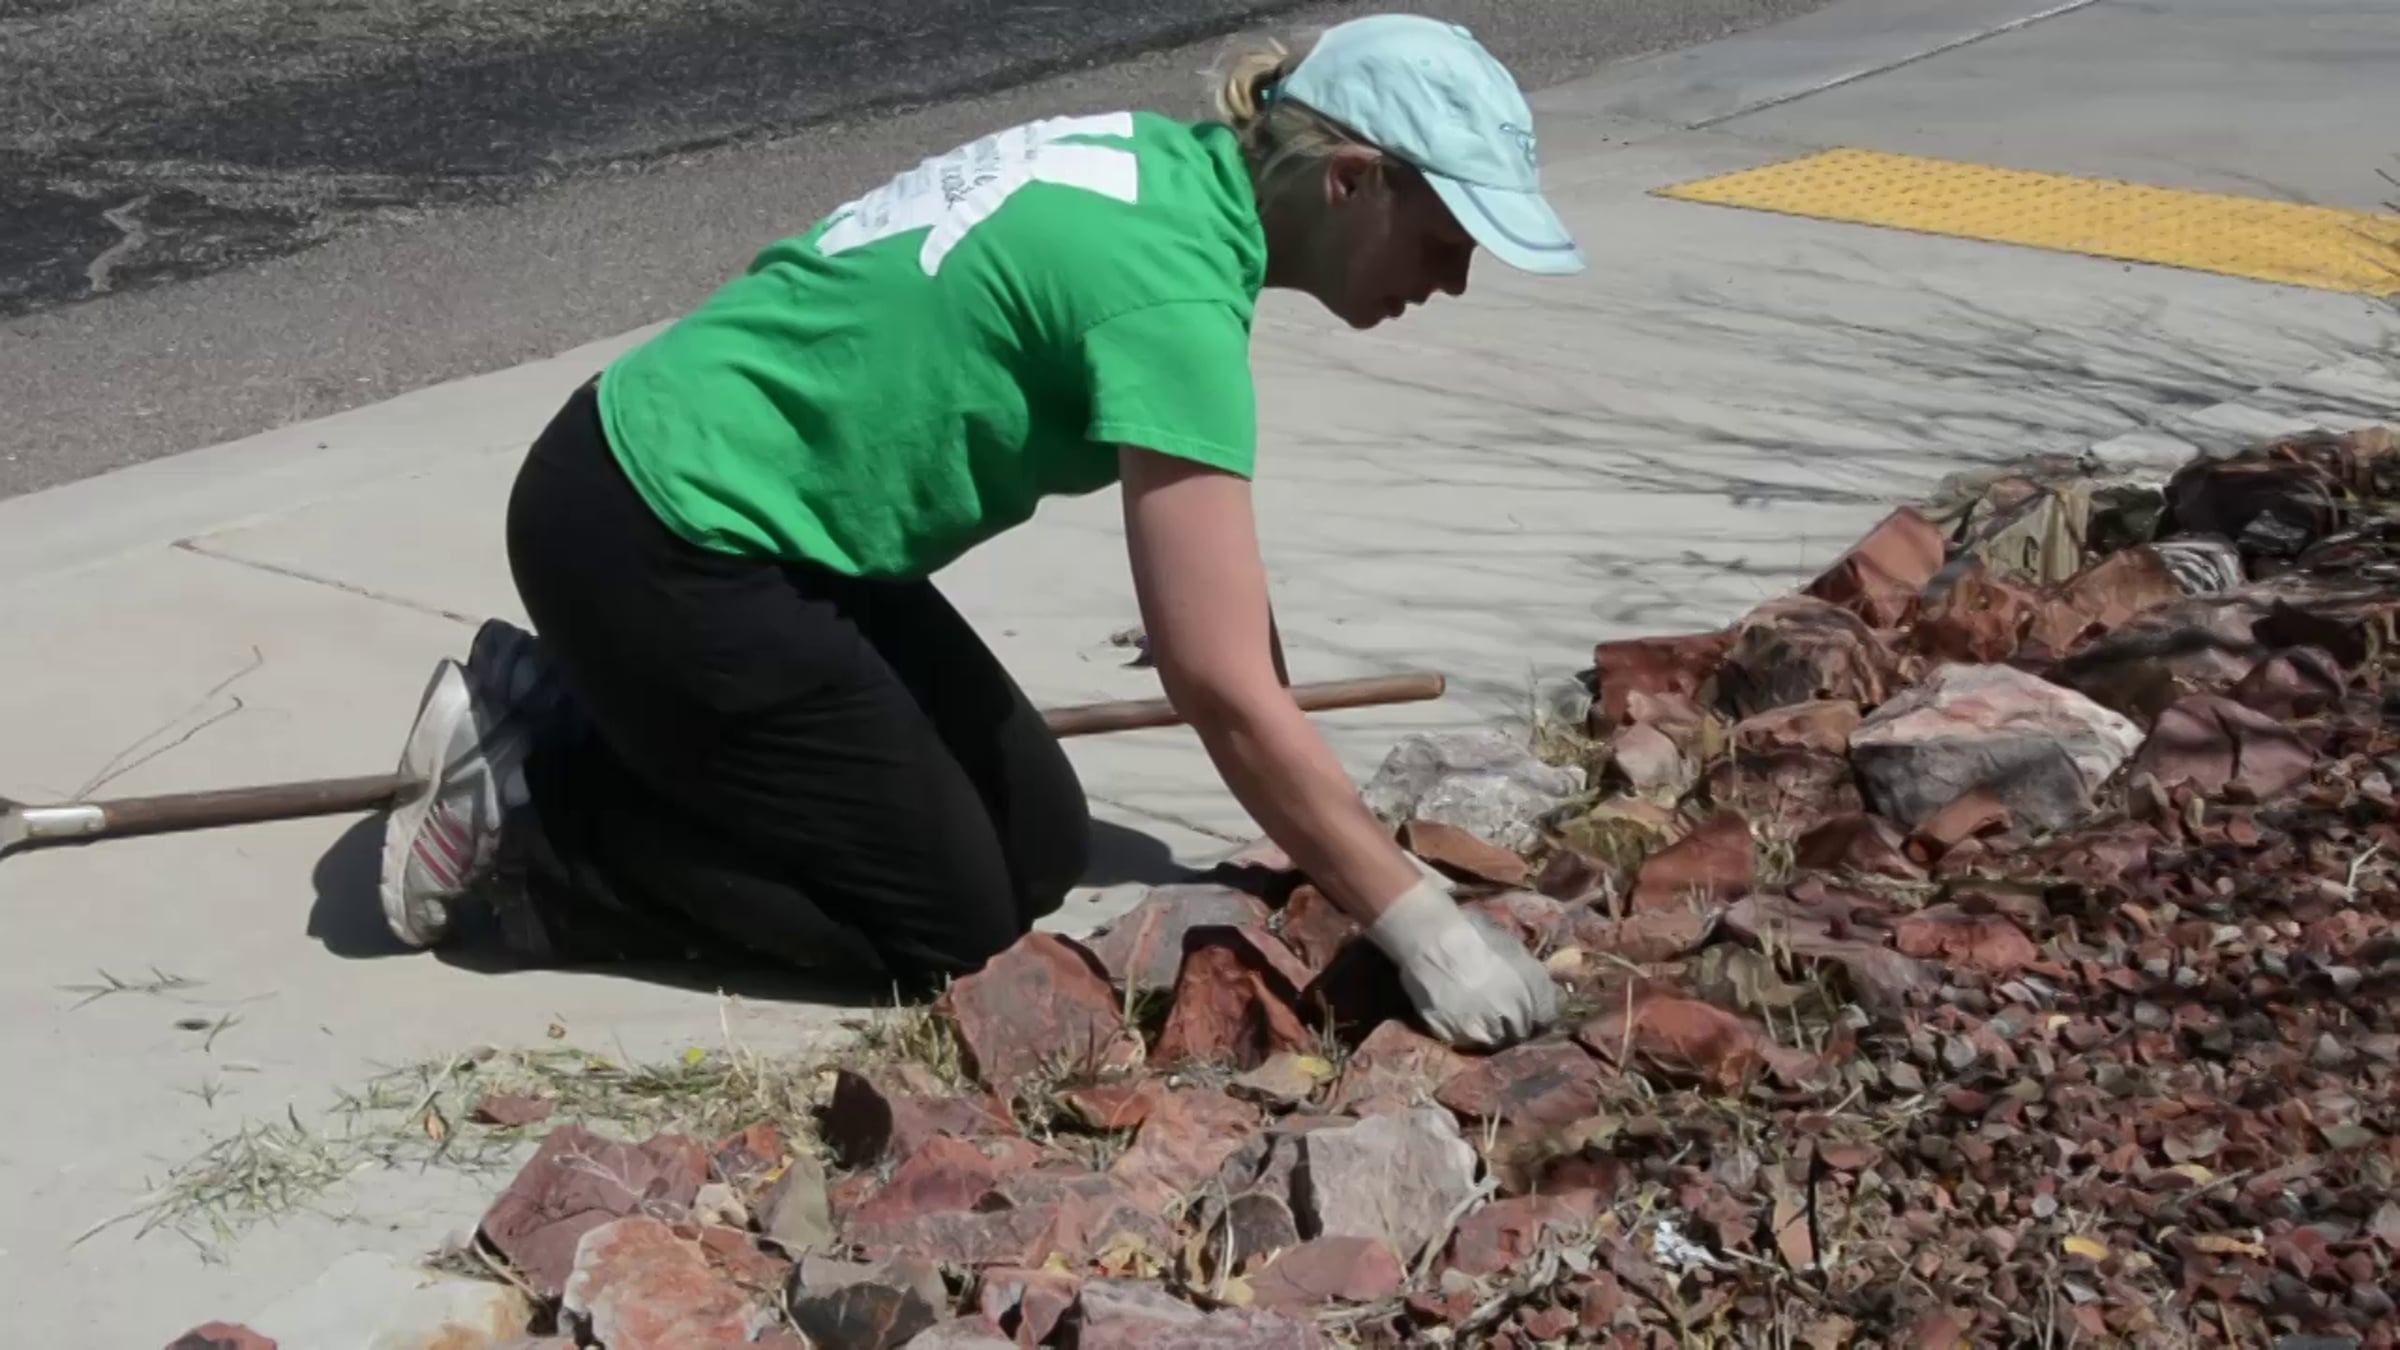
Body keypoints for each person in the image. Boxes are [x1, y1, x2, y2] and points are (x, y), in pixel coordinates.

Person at [377, 13, 1582, 1050]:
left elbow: (1223, 612)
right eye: (1447, 240)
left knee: (1036, 845)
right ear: (1351, 180)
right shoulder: (1169, 295)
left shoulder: (1168, 179)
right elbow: (1216, 681)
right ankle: (531, 824)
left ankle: (588, 705)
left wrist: (1325, 835)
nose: (1455, 281)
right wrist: (1420, 925)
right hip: (660, 537)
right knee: (944, 927)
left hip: (741, 511)